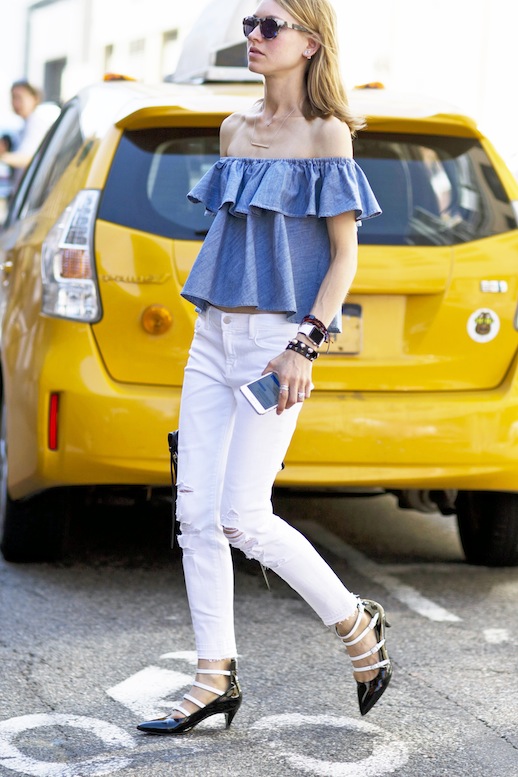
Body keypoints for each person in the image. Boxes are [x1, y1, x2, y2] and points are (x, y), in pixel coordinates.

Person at [137, 0, 392, 735]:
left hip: (276, 344)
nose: (253, 36)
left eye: (270, 26)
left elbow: (344, 255)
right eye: (249, 24)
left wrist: (305, 344)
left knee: (242, 515)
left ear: (309, 43)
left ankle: (356, 626)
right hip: (212, 333)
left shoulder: (327, 133)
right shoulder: (234, 129)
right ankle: (212, 676)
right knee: (193, 514)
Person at [0, 80, 59, 189]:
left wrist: (3, 156)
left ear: (34, 98)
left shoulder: (36, 120)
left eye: (19, 97)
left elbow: (27, 158)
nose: (15, 103)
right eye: (13, 97)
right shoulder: (26, 124)